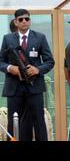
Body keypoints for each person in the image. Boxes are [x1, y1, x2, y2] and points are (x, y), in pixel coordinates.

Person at [0, 9, 54, 141]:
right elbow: (1, 61)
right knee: (14, 122)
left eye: (27, 19)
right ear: (15, 22)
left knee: (39, 122)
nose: (24, 21)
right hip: (14, 87)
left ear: (30, 21)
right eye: (21, 19)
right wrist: (10, 68)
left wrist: (37, 69)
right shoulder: (8, 39)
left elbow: (50, 61)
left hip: (34, 87)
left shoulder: (40, 37)